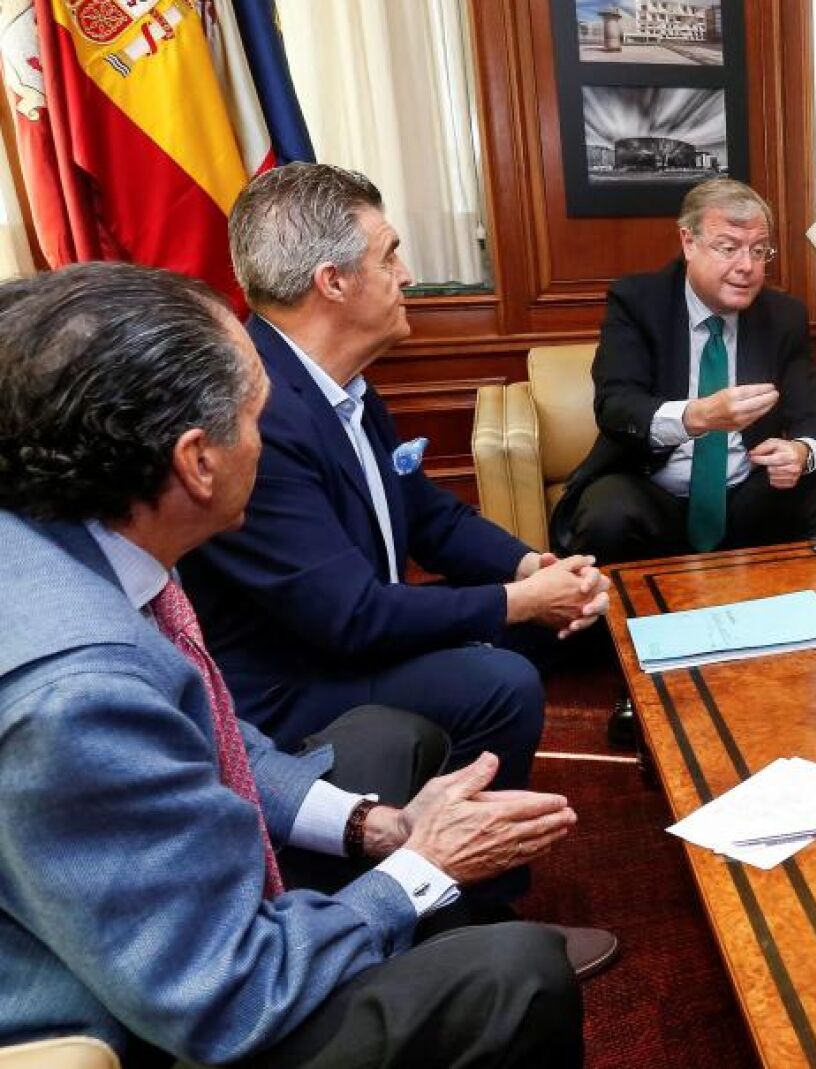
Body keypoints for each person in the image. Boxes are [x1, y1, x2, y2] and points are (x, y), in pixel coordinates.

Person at [0, 263, 587, 1067]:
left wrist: (373, 826)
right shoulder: (79, 693)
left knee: (387, 739)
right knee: (519, 977)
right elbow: (225, 997)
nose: (268, 441)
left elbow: (208, 730)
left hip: (162, 928)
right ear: (196, 461)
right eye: (257, 418)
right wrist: (420, 867)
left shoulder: (81, 543)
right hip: (147, 1024)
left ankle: (419, 953)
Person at [181, 163, 606, 798]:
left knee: (563, 626)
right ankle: (457, 859)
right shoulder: (257, 416)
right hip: (292, 683)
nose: (405, 275)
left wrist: (531, 568)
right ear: (333, 282)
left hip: (354, 628)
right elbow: (351, 616)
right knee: (503, 683)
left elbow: (427, 513)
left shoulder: (338, 380)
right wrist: (523, 600)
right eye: (389, 257)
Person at [551, 178, 816, 561]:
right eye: (728, 248)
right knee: (608, 513)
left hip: (747, 495)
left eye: (759, 250)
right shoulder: (638, 302)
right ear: (689, 242)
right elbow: (616, 407)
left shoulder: (783, 317)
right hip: (652, 491)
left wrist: (801, 451)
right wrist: (697, 416)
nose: (747, 266)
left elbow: (814, 419)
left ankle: (812, 601)